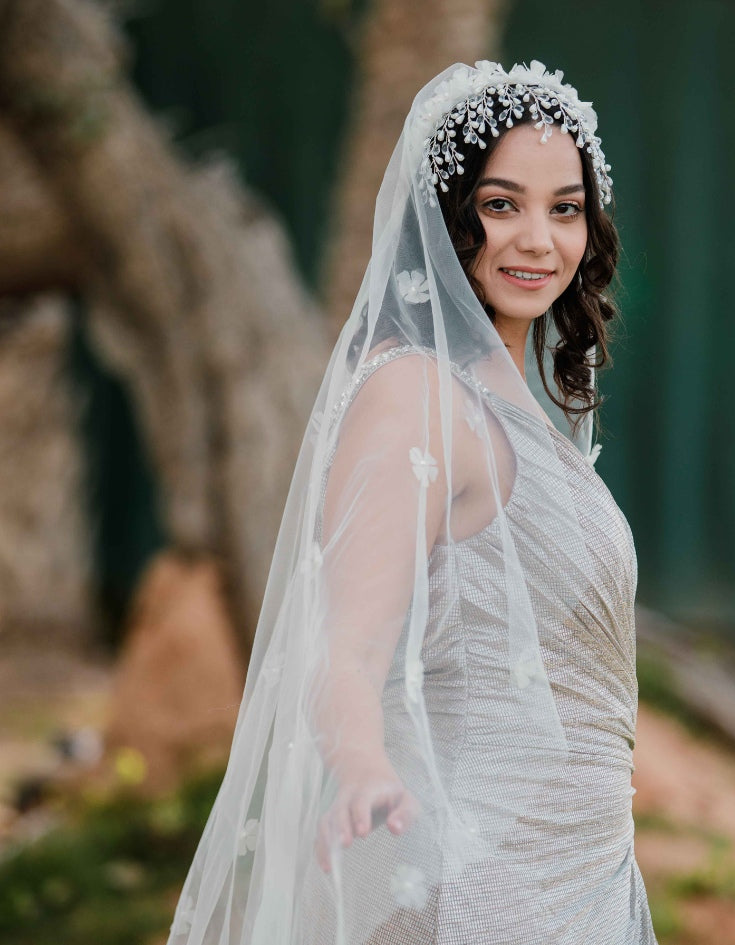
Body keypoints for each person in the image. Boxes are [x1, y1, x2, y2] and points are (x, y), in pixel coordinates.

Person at [168, 60, 659, 945]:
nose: (538, 240)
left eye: (564, 207)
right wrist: (360, 765)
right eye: (501, 203)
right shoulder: (414, 397)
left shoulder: (525, 412)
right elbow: (342, 647)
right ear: (446, 214)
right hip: (473, 879)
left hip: (580, 867)